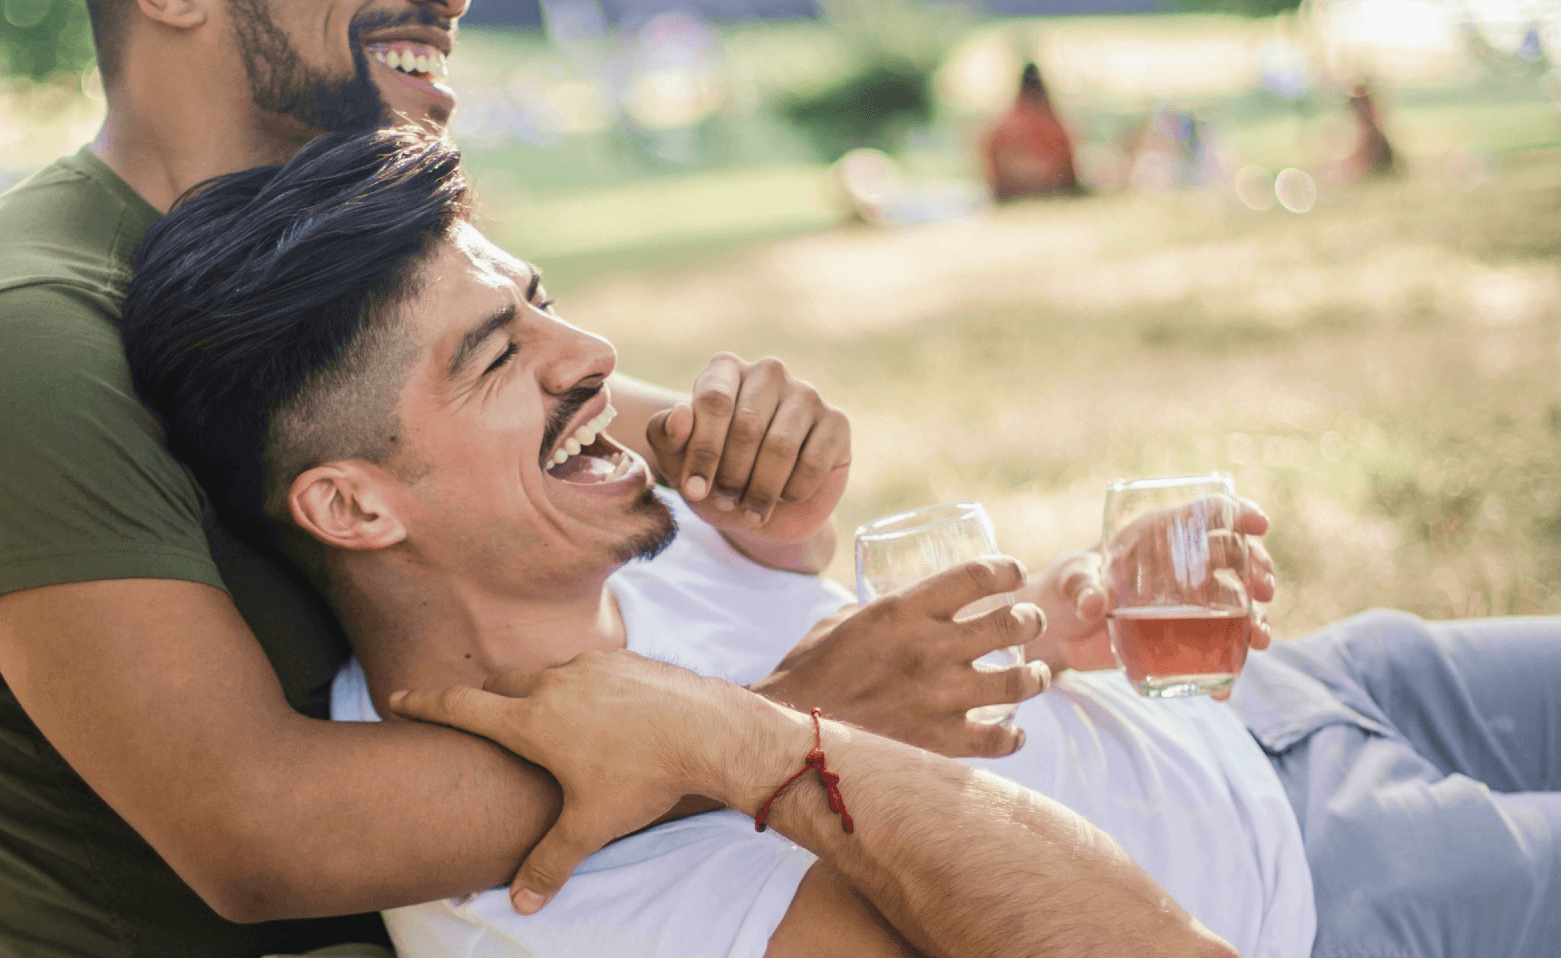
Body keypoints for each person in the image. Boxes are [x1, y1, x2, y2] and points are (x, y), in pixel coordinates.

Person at [0, 0, 1044, 958]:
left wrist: (764, 466)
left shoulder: (327, 254)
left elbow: (657, 459)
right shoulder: (21, 337)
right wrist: (776, 730)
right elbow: (258, 833)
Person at [124, 130, 1561, 958]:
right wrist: (747, 738)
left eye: (545, 297)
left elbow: (938, 700)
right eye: (501, 355)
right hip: (1340, 890)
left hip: (1287, 702)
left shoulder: (608, 535)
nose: (596, 354)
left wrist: (1065, 629)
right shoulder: (543, 892)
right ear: (356, 506)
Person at [977, 62, 1081, 202]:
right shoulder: (1054, 125)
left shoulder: (1003, 127)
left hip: (1015, 195)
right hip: (1045, 193)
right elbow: (1069, 170)